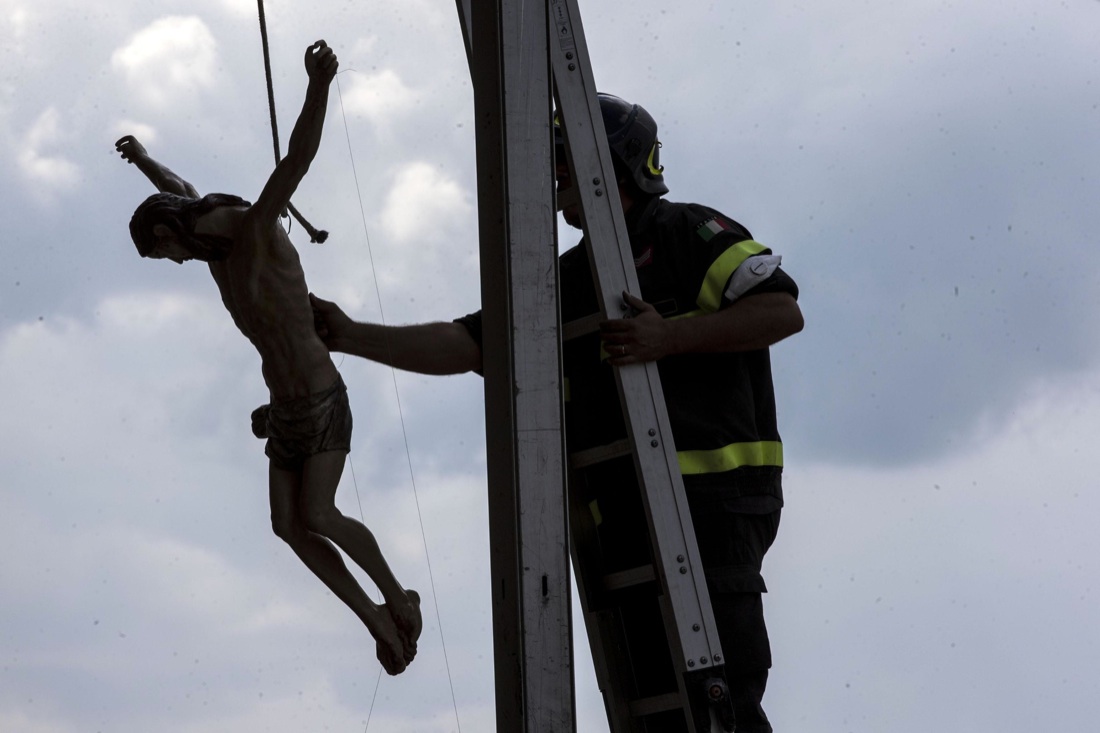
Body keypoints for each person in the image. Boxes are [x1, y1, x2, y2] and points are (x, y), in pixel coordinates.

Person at [310, 93, 802, 728]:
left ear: (612, 163)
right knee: (661, 711)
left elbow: (779, 311)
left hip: (715, 507)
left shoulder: (686, 232)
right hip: (623, 517)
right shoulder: (566, 276)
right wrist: (349, 335)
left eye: (562, 161)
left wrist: (667, 337)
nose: (553, 177)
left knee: (719, 702)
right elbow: (472, 345)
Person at [115, 40, 420, 676]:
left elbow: (297, 160)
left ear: (170, 233)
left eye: (164, 253)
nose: (173, 262)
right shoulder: (214, 253)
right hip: (283, 407)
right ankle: (374, 620)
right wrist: (142, 159)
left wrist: (318, 85)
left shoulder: (253, 231)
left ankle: (398, 597)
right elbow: (178, 188)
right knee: (287, 525)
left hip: (320, 396)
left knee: (318, 513)